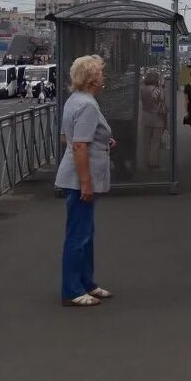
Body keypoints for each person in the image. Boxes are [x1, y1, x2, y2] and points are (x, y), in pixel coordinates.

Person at [55, 54, 115, 308]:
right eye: (100, 73)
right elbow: (79, 145)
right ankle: (71, 289)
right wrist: (86, 182)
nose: (103, 77)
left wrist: (103, 141)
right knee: (78, 235)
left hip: (75, 175)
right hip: (80, 178)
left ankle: (86, 283)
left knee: (85, 233)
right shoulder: (88, 105)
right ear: (91, 79)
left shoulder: (75, 100)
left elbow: (67, 138)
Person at [138, 68, 168, 170]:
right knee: (155, 141)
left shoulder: (143, 89)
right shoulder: (156, 90)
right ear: (156, 79)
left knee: (146, 140)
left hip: (146, 116)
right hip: (157, 117)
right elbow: (162, 100)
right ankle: (153, 162)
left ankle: (145, 160)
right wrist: (162, 87)